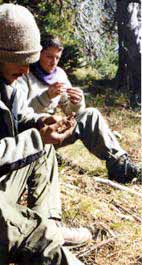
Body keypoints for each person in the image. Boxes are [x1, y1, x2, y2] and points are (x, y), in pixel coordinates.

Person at [0, 4, 91, 265]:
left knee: (43, 149)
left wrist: (42, 122)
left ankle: (49, 224)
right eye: (20, 62)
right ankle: (41, 235)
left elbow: (20, 118)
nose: (26, 71)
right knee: (37, 241)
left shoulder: (7, 79)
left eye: (29, 62)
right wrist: (38, 137)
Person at [16, 34, 141, 184]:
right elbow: (19, 113)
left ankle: (121, 166)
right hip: (31, 134)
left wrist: (77, 101)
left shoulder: (59, 75)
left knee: (91, 114)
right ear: (38, 53)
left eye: (57, 58)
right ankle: (42, 154)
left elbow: (70, 111)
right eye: (49, 56)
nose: (53, 62)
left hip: (54, 131)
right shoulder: (24, 73)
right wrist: (46, 97)